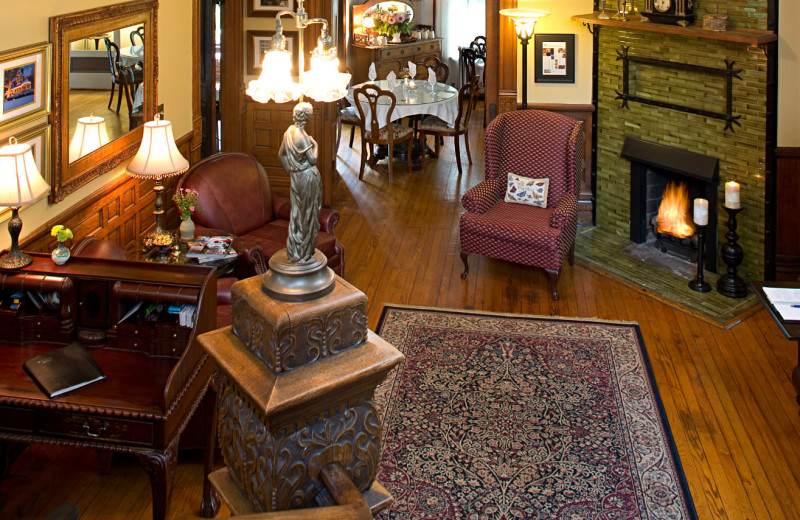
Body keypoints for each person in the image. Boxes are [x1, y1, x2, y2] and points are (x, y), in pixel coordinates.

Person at [278, 102, 321, 265]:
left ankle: (296, 250)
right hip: (307, 177)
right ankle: (304, 252)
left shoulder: (289, 132)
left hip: (297, 177)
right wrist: (315, 144)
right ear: (308, 117)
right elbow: (314, 159)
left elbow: (281, 155)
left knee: (297, 213)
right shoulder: (303, 137)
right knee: (308, 213)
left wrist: (292, 172)